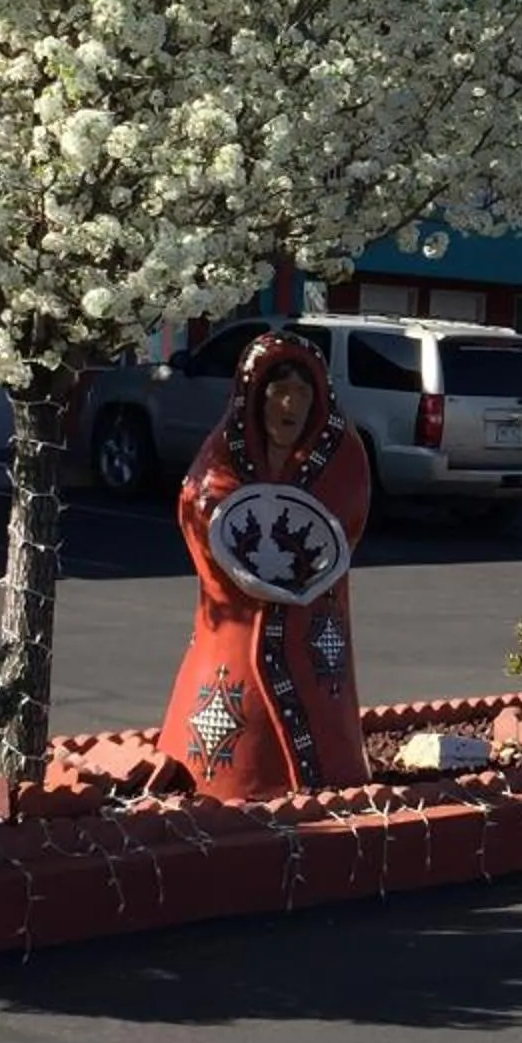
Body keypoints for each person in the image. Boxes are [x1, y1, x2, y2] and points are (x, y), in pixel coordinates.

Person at [158, 331, 372, 799]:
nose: (288, 403)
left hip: (312, 624)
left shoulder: (342, 454)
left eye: (301, 391)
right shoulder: (223, 454)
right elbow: (199, 500)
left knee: (320, 703)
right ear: (255, 396)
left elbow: (347, 510)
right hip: (233, 624)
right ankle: (223, 778)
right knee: (228, 694)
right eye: (278, 390)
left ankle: (330, 772)